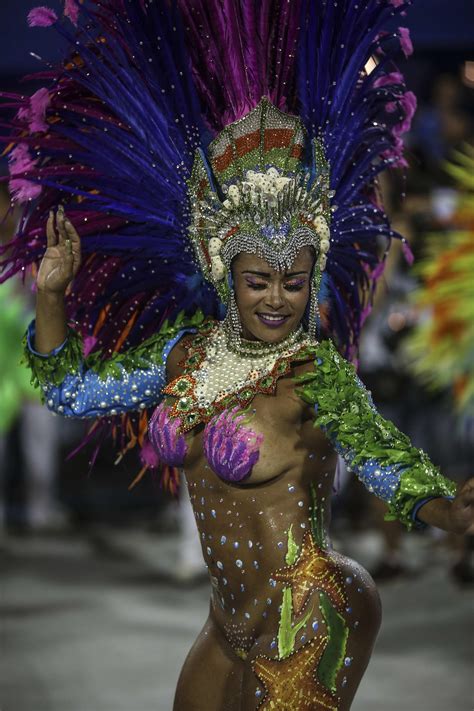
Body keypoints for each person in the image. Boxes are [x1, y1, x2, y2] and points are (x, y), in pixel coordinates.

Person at [3, 2, 474, 709]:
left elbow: (384, 456)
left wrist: (449, 512)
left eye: (294, 280)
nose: (277, 299)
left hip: (313, 608)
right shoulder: (182, 354)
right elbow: (70, 392)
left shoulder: (317, 372)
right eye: (259, 281)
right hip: (228, 621)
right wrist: (51, 296)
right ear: (225, 275)